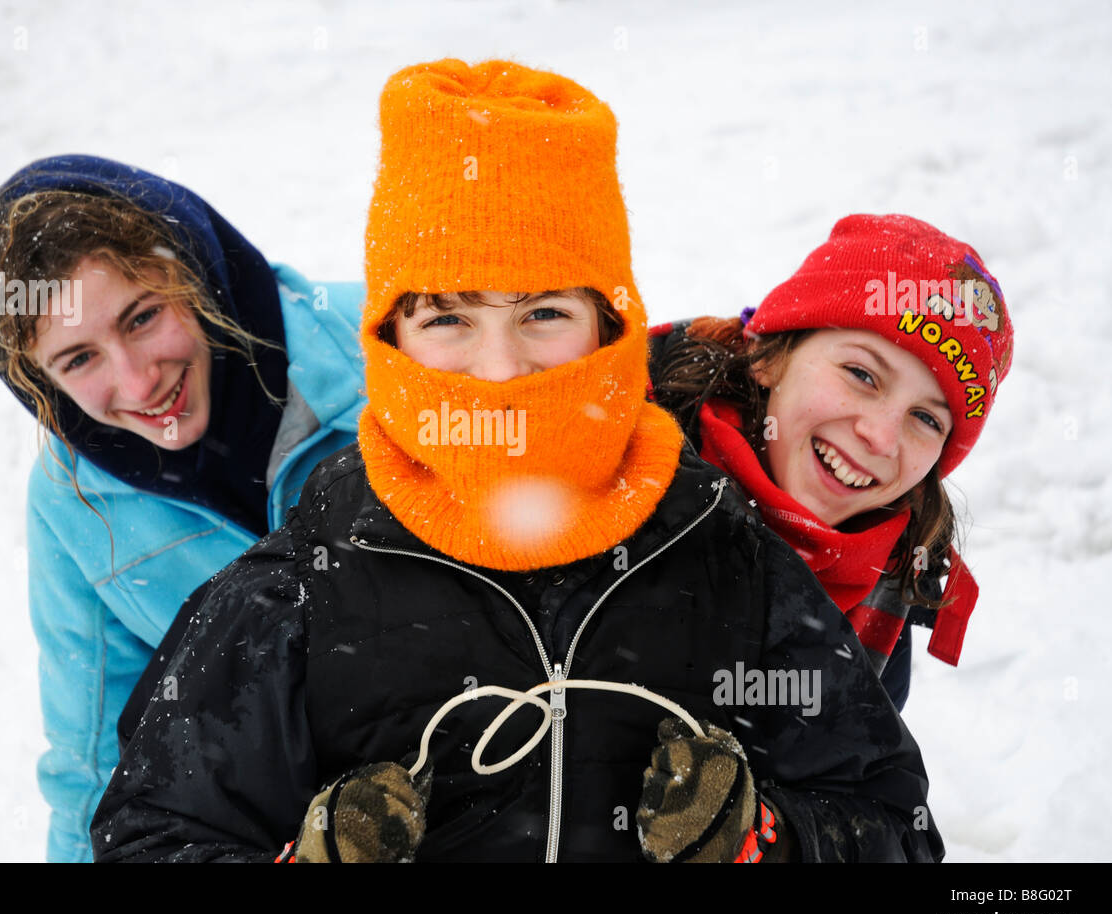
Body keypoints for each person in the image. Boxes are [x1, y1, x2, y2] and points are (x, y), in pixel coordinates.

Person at [92, 59, 944, 863]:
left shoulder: (725, 557)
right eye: (447, 320)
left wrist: (768, 838)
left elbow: (893, 828)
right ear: (389, 339)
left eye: (542, 313)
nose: (498, 371)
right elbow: (153, 836)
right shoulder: (303, 585)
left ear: (611, 327)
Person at [0, 155, 367, 862]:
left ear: (195, 275)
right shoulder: (72, 503)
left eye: (143, 316)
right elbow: (95, 769)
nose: (139, 381)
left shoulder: (384, 344)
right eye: (78, 359)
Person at [650, 215, 1013, 710]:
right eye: (862, 374)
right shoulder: (616, 460)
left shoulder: (886, 595)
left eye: (926, 418)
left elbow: (855, 779)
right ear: (769, 357)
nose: (881, 437)